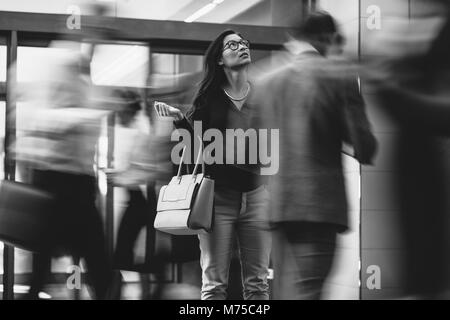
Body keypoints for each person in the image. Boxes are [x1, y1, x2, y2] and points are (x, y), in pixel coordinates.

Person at [254, 11, 376, 299]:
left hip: (277, 205)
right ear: (328, 38)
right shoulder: (336, 76)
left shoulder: (264, 80)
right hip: (316, 206)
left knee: (284, 291)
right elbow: (364, 144)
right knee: (310, 290)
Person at [154, 30, 272, 300]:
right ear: (219, 59)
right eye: (233, 44)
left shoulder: (263, 97)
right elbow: (194, 148)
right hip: (219, 199)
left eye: (244, 43)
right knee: (214, 284)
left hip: (258, 198)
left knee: (258, 284)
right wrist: (180, 120)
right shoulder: (208, 100)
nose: (241, 47)